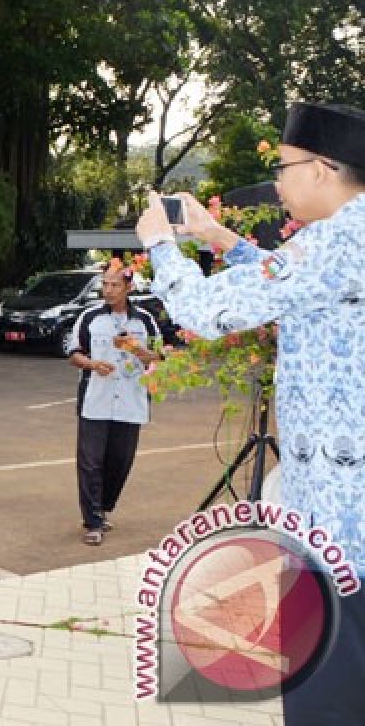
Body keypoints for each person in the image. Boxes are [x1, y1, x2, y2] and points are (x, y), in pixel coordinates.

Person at [136, 101, 365, 724]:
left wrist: (161, 246)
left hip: (339, 534)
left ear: (322, 169)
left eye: (286, 168)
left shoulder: (339, 241)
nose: (281, 184)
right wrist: (222, 240)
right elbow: (296, 288)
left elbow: (204, 312)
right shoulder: (344, 242)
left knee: (328, 698)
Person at [66, 261, 162, 546]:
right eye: (104, 284)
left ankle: (104, 507)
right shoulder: (90, 317)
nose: (107, 290)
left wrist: (135, 348)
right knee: (90, 461)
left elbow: (159, 356)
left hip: (131, 401)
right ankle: (92, 520)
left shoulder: (144, 320)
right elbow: (73, 353)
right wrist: (92, 363)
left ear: (128, 288)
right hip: (95, 400)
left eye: (114, 285)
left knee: (120, 461)